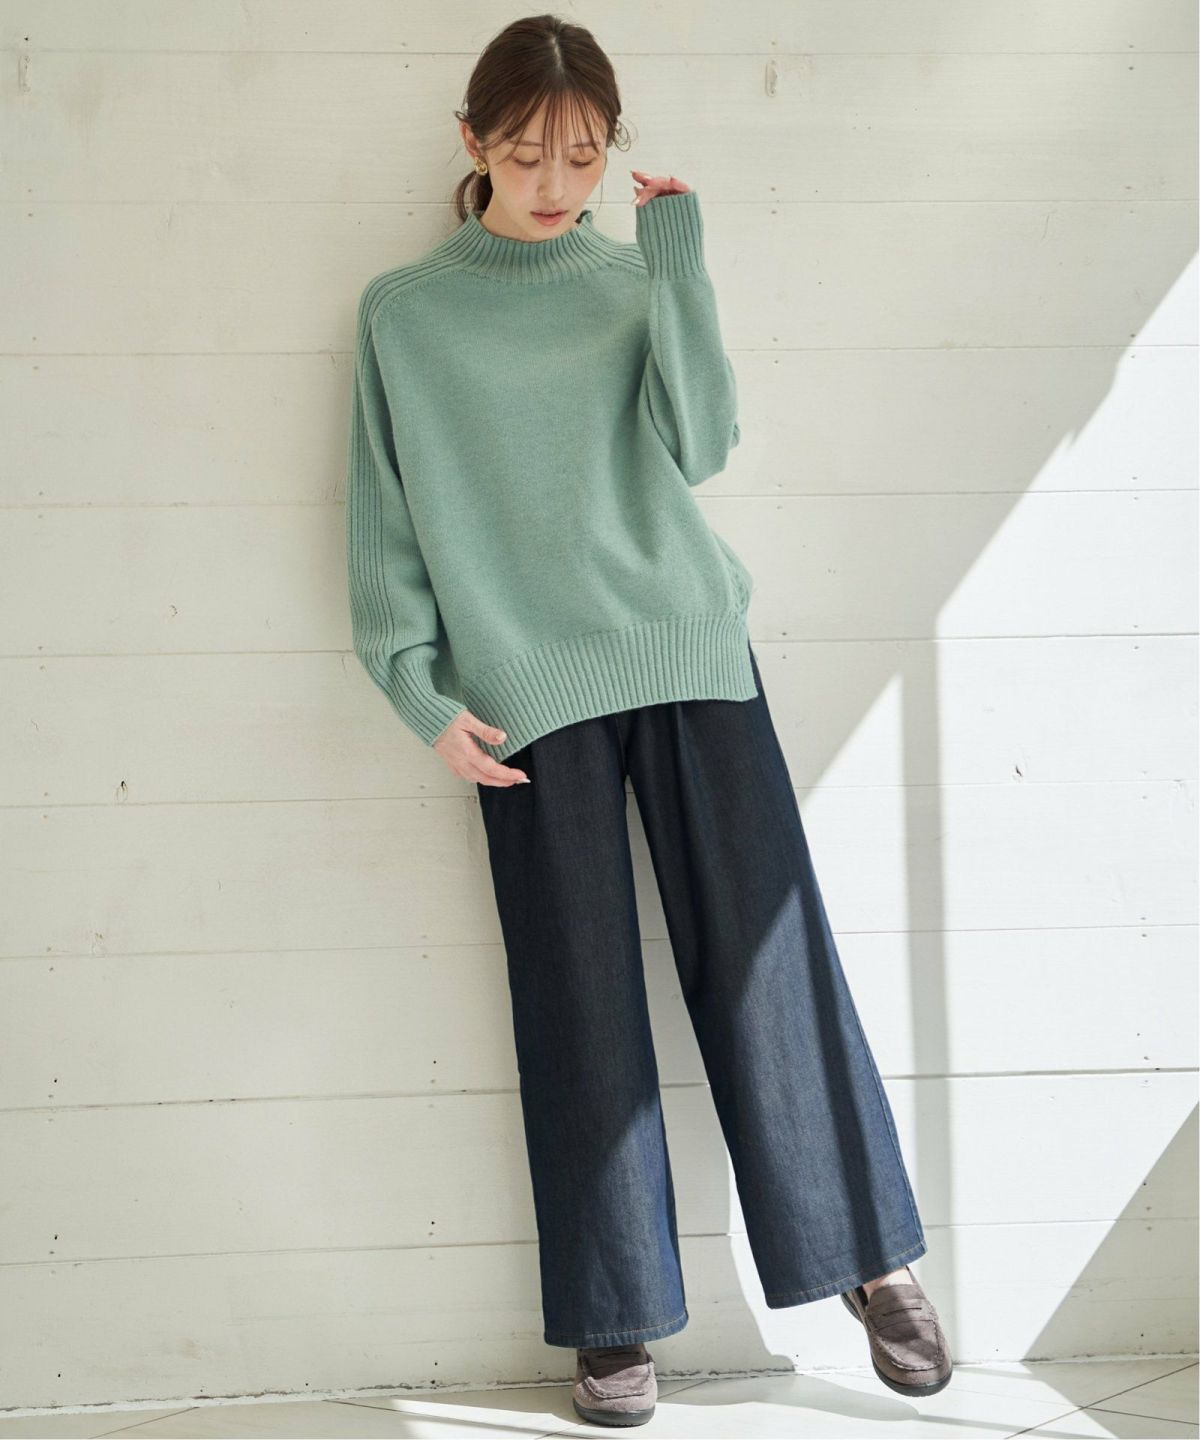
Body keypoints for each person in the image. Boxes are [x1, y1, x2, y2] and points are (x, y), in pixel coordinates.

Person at [344, 13, 952, 1428]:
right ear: (471, 142)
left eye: (582, 155)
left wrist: (677, 264)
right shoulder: (405, 314)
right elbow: (384, 520)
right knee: (577, 998)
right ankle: (615, 1317)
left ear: (612, 149)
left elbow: (702, 443)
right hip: (521, 690)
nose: (555, 183)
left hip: (685, 649)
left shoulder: (629, 276)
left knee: (768, 964)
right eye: (525, 154)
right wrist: (417, 688)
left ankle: (873, 1259)